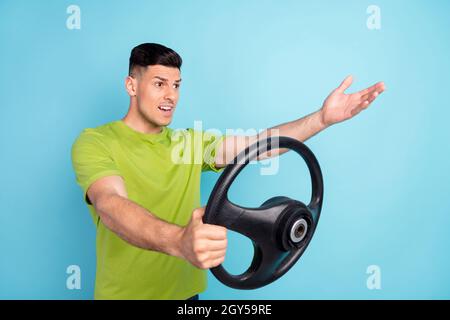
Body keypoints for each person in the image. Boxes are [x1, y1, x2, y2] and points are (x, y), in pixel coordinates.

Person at [71, 43, 385, 300]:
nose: (171, 96)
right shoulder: (97, 141)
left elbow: (260, 146)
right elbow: (110, 204)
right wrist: (179, 240)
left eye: (177, 86)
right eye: (159, 84)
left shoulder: (188, 143)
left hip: (187, 299)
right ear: (131, 85)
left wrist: (321, 119)